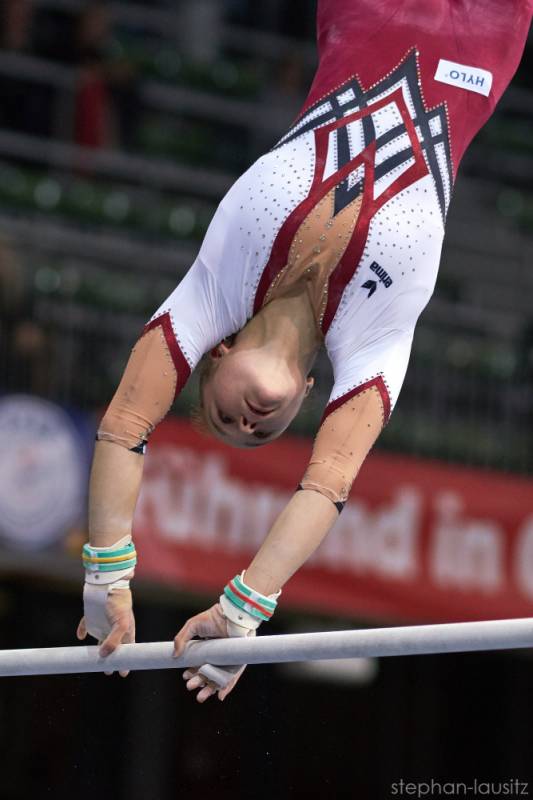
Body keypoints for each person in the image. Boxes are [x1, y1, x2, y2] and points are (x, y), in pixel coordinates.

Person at [76, 0, 533, 701]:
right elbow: (326, 487)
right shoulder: (375, 343)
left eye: (225, 417)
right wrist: (242, 612)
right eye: (261, 434)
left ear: (216, 353)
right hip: (484, 36)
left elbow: (124, 426)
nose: (248, 424)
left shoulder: (212, 290)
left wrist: (106, 575)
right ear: (307, 398)